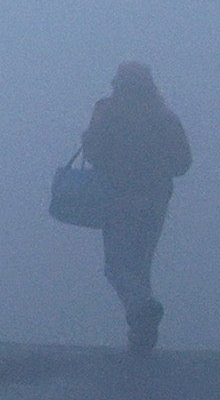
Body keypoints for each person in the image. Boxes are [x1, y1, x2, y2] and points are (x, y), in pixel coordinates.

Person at [75, 63, 193, 356]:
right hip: (155, 199)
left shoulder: (107, 111)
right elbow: (183, 164)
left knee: (117, 265)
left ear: (118, 84)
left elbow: (93, 152)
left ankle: (142, 310)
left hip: (118, 197)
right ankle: (141, 332)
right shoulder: (164, 117)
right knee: (140, 264)